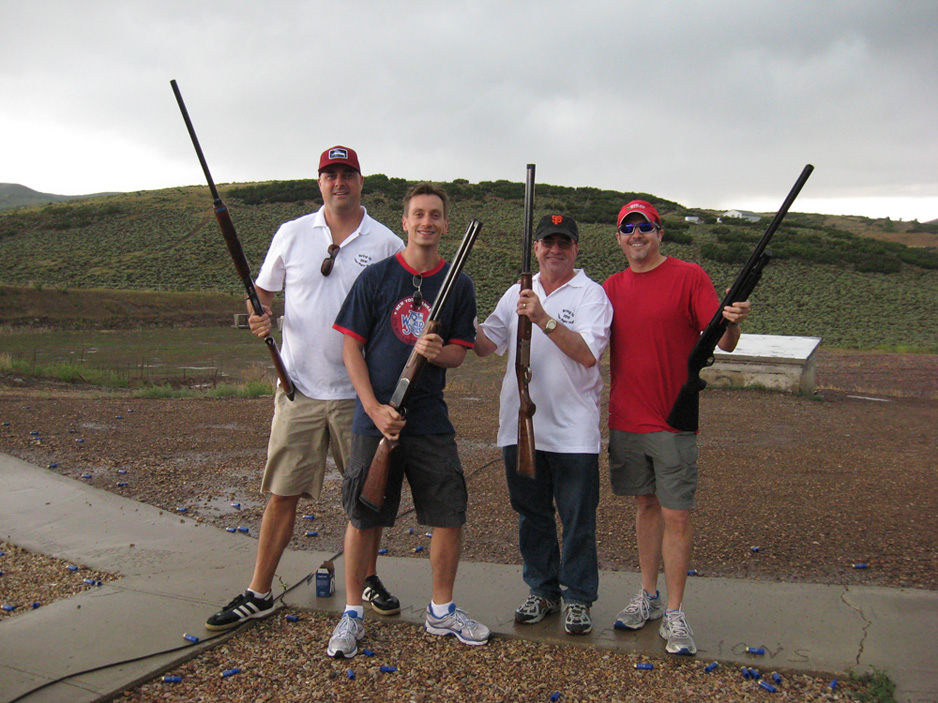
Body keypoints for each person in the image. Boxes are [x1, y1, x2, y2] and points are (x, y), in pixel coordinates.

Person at [205, 146, 405, 631]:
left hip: (359, 396)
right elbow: (263, 292)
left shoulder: (385, 242)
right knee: (282, 492)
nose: (339, 182)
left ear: (361, 181)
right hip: (298, 390)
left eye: (347, 174)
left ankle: (367, 578)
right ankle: (259, 591)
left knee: (366, 497)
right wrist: (259, 314)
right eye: (330, 174)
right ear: (319, 182)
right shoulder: (292, 233)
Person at [327, 182, 489, 659]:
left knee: (449, 513)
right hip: (375, 419)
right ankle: (352, 614)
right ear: (405, 221)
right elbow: (350, 346)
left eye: (435, 215)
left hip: (430, 418)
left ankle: (441, 611)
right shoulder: (376, 277)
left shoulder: (459, 284)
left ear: (445, 224)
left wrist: (438, 353)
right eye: (419, 214)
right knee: (363, 516)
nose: (427, 222)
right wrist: (374, 408)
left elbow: (460, 352)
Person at [602, 199, 751, 655]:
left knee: (677, 514)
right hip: (627, 417)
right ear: (619, 238)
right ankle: (648, 595)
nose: (637, 235)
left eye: (645, 226)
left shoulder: (690, 277)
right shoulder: (610, 288)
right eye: (628, 228)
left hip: (673, 419)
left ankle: (674, 611)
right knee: (645, 506)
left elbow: (724, 341)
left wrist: (732, 321)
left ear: (659, 232)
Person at [474, 214, 612, 635]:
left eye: (563, 242)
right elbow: (485, 344)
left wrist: (543, 318)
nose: (555, 250)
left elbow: (587, 353)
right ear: (535, 248)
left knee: (577, 519)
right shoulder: (516, 292)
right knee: (531, 515)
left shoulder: (591, 294)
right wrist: (456, 314)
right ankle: (542, 590)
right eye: (547, 242)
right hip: (520, 425)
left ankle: (578, 598)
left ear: (576, 249)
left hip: (573, 433)